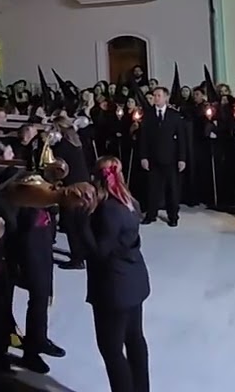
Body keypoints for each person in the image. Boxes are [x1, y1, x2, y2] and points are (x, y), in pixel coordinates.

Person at [77, 157, 150, 392]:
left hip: (113, 288)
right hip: (134, 280)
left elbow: (99, 252)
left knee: (111, 349)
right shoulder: (130, 202)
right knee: (135, 339)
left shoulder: (108, 209)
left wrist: (82, 222)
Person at [137, 87, 186, 227]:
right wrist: (144, 157)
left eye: (159, 95)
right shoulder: (148, 115)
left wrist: (182, 158)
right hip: (153, 158)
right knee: (152, 188)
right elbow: (144, 138)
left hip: (171, 158)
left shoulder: (174, 116)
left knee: (172, 189)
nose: (156, 98)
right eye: (154, 95)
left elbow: (181, 139)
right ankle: (151, 214)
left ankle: (173, 216)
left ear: (166, 97)